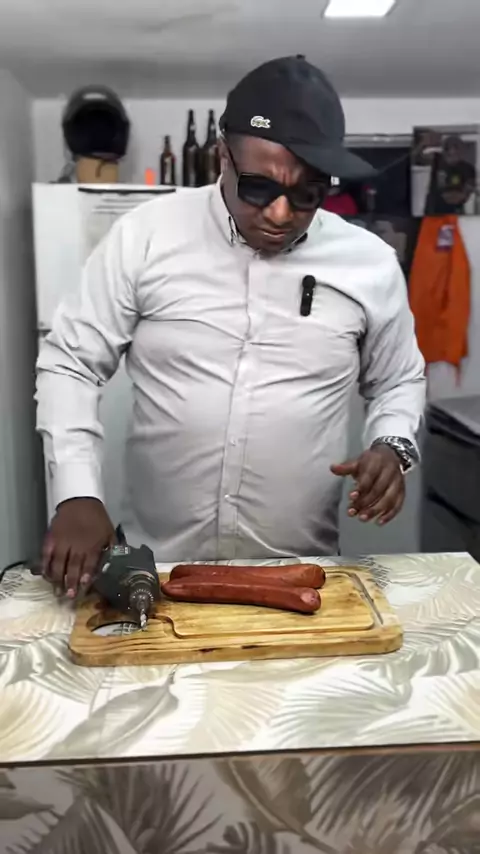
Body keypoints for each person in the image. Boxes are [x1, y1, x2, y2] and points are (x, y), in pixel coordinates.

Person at [36, 56, 425, 597]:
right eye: (259, 188)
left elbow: (398, 378)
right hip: (156, 567)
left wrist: (392, 443)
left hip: (295, 574)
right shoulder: (144, 237)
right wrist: (76, 492)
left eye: (307, 194)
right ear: (223, 157)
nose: (281, 214)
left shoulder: (370, 263)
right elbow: (71, 364)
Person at [426, 135, 476, 215]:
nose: (453, 151)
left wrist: (461, 195)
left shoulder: (468, 168)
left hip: (456, 210)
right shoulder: (436, 163)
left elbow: (469, 188)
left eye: (456, 148)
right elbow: (422, 155)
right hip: (434, 210)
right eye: (449, 148)